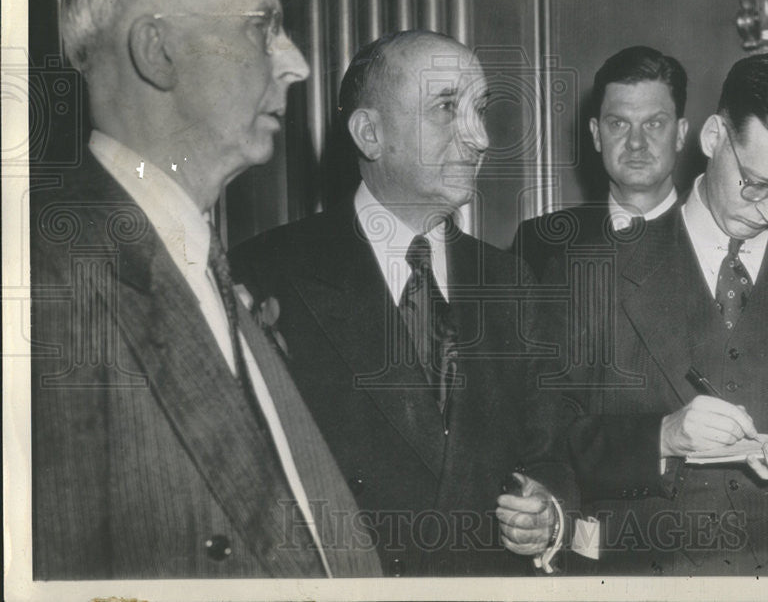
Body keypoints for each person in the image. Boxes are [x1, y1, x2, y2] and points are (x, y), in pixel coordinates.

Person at [30, 0, 381, 579]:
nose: (299, 64)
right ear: (158, 50)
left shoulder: (207, 269)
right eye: (262, 27)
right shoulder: (43, 287)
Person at [543, 49, 768, 575]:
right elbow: (551, 438)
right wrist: (661, 436)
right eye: (755, 183)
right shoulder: (588, 274)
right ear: (712, 137)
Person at [232, 30, 576, 576]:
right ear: (370, 133)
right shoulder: (268, 272)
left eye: (479, 110)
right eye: (446, 108)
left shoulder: (510, 280)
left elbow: (552, 451)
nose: (481, 137)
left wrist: (549, 514)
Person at [511, 46, 689, 281]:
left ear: (680, 134)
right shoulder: (540, 244)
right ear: (596, 134)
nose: (636, 143)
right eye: (619, 124)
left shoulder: (716, 236)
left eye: (653, 124)